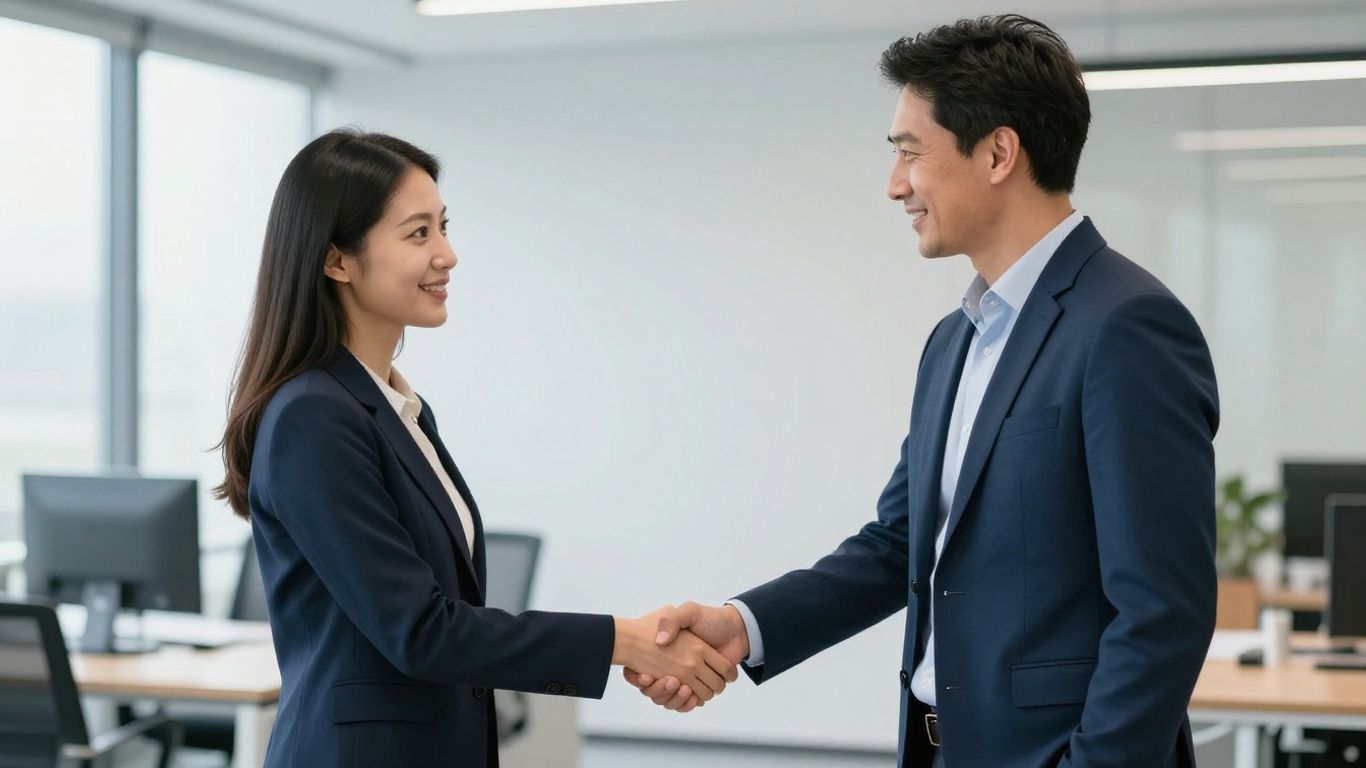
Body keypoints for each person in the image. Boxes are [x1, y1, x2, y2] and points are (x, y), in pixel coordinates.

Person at [628, 14, 1219, 768]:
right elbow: (899, 544)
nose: (894, 184)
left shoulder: (1126, 326)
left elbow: (1163, 612)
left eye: (910, 153)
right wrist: (744, 625)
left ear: (999, 151)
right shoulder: (957, 338)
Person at [214, 129, 736, 768]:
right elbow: (421, 631)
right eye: (418, 233)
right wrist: (626, 640)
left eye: (443, 227)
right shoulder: (313, 416)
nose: (448, 254)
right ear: (336, 260)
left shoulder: (394, 408)